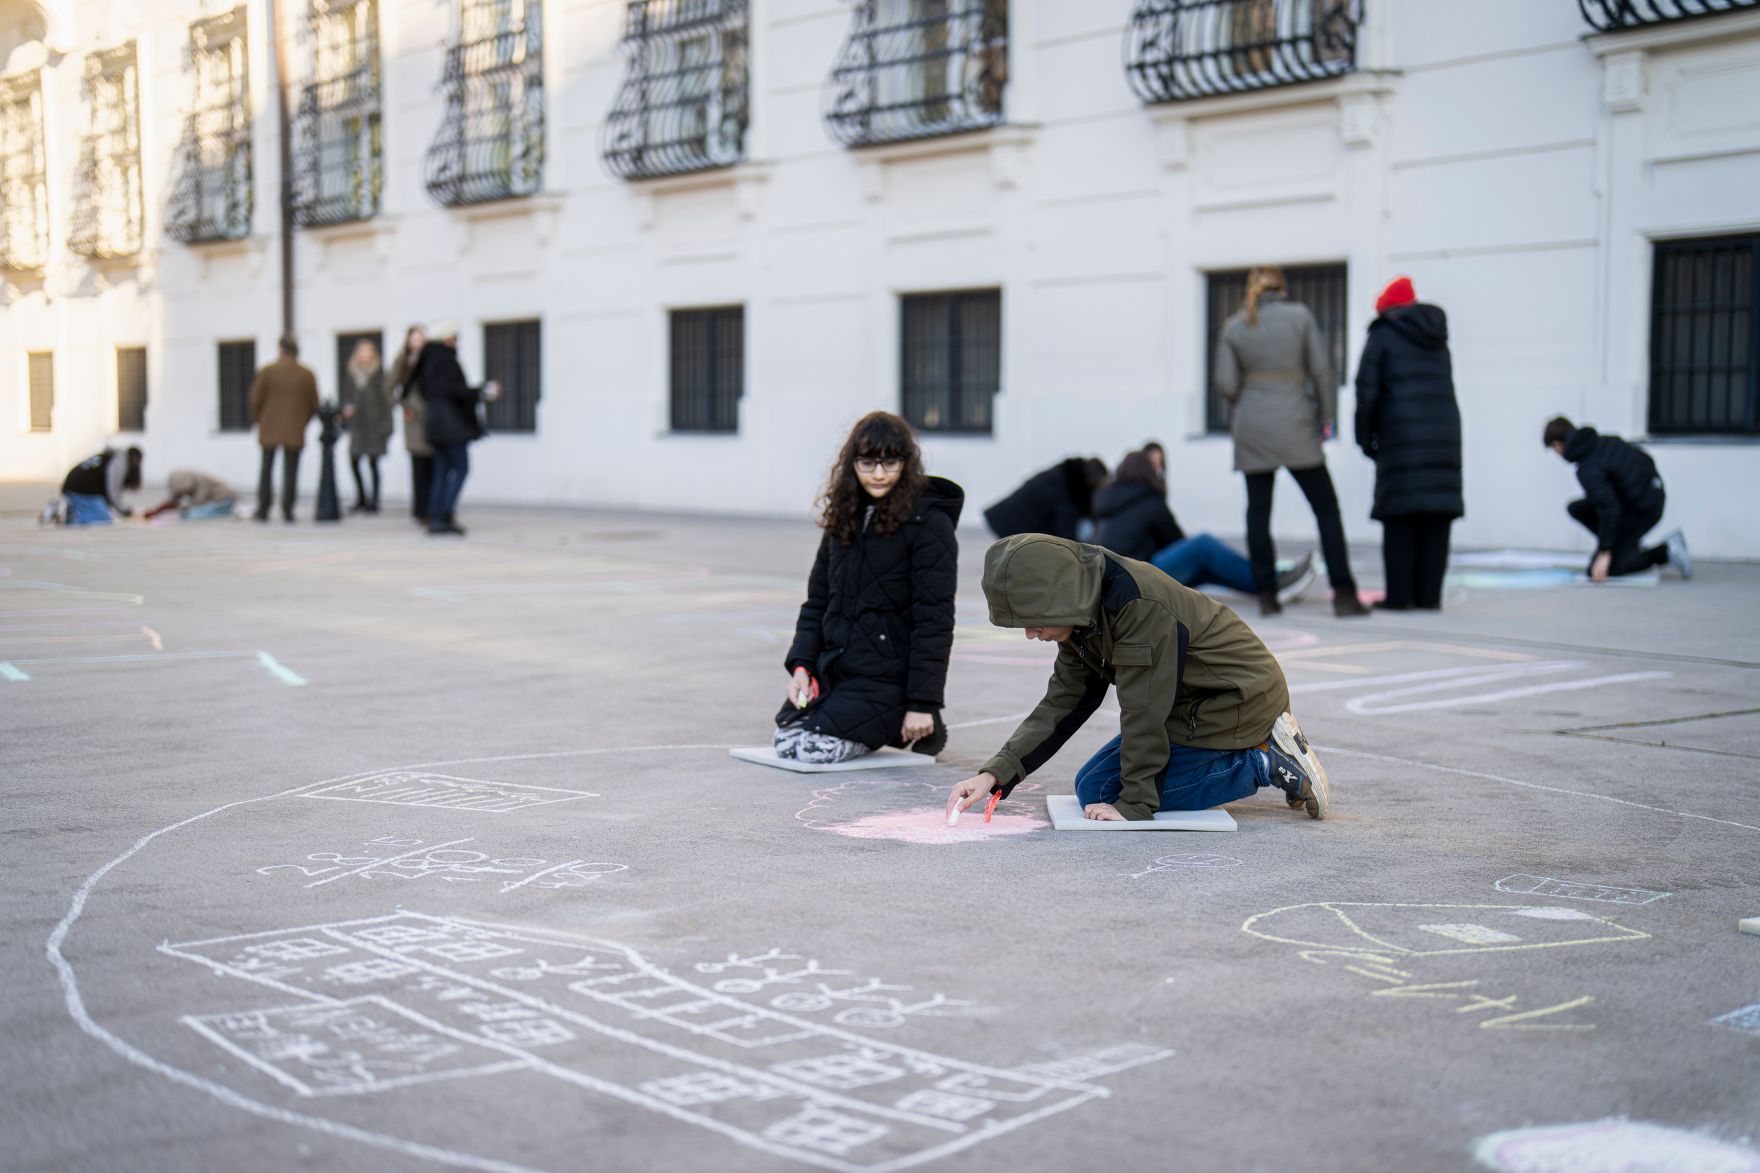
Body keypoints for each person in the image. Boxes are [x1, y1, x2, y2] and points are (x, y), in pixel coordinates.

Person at [944, 534, 1330, 824]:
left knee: (1107, 792)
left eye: (1034, 620)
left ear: (1059, 599)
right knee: (1093, 787)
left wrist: (1135, 806)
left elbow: (1144, 709)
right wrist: (994, 774)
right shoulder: (1079, 613)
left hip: (1234, 698)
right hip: (1191, 701)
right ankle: (1246, 755)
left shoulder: (1136, 608)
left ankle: (1262, 761)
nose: (1031, 633)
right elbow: (1063, 704)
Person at [776, 411, 961, 765]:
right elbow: (817, 603)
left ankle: (914, 723)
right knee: (785, 742)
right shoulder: (844, 517)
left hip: (887, 680)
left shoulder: (929, 523)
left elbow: (933, 620)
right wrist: (803, 667)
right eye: (868, 463)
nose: (878, 474)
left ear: (907, 464)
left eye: (890, 463)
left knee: (812, 750)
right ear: (852, 464)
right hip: (835, 670)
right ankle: (873, 721)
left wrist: (922, 703)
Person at [1214, 266, 1368, 617]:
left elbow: (1224, 383)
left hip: (1253, 426)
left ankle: (1267, 595)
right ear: (1282, 289)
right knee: (1326, 509)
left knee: (1258, 513)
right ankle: (1344, 594)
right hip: (1297, 422)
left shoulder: (1235, 326)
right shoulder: (1300, 317)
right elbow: (1323, 372)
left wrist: (1251, 396)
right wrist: (1326, 421)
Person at [1354, 276, 1464, 611]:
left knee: (1400, 516)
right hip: (1444, 435)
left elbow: (1366, 393)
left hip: (1400, 436)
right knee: (1435, 514)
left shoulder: (1382, 335)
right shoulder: (1437, 337)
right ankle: (1429, 597)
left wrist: (1366, 438)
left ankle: (1401, 597)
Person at [1093, 449, 1314, 602]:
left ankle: (1269, 585)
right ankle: (1271, 583)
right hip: (1138, 579)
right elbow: (1175, 540)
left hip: (1118, 581)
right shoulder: (1149, 500)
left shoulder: (1109, 501)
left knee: (1206, 567)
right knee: (1203, 545)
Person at [1544, 417, 1690, 582]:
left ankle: (1666, 551)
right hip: (1649, 496)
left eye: (1554, 448)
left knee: (1601, 571)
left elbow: (1609, 508)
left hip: (1642, 509)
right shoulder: (1603, 442)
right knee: (1577, 508)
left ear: (1558, 444)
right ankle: (1625, 547)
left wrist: (1604, 552)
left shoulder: (1587, 467)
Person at [412, 322, 499, 537]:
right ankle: (444, 514)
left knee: (441, 471)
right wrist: (481, 392)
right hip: (451, 426)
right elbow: (456, 391)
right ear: (446, 338)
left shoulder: (426, 360)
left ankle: (436, 516)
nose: (456, 342)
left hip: (434, 424)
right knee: (461, 469)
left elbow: (422, 390)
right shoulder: (446, 359)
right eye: (454, 338)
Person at [248, 335, 319, 523]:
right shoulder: (306, 374)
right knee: (291, 471)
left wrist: (259, 420)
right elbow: (314, 404)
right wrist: (302, 421)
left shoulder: (268, 371)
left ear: (280, 350)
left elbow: (255, 399)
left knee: (266, 469)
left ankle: (263, 508)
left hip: (269, 427)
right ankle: (288, 509)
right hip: (295, 428)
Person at [984, 457, 1108, 541]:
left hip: (1008, 518)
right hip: (1012, 522)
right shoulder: (1069, 486)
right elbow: (1066, 533)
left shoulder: (1065, 475)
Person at [340, 338, 395, 514]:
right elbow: (346, 397)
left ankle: (374, 500)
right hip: (358, 425)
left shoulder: (379, 375)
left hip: (374, 425)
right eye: (362, 351)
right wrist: (347, 409)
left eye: (368, 351)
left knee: (373, 463)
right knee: (354, 460)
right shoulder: (352, 374)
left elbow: (387, 402)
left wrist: (387, 425)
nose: (365, 355)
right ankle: (361, 497)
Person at [390, 326, 432, 527]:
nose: (419, 342)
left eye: (422, 338)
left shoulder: (430, 359)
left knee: (433, 465)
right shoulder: (403, 361)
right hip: (414, 421)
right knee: (419, 465)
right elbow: (389, 387)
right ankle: (420, 510)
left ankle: (432, 508)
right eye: (415, 338)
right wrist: (403, 406)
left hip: (432, 418)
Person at [56, 447, 142, 525]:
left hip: (75, 487)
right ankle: (64, 515)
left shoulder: (112, 456)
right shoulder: (120, 463)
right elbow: (112, 491)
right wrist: (124, 511)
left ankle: (69, 511)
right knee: (102, 519)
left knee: (95, 511)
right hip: (81, 490)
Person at [143, 470, 236, 520]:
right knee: (190, 512)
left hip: (223, 500)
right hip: (208, 502)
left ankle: (224, 511)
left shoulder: (201, 482)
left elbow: (198, 502)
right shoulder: (183, 483)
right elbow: (173, 499)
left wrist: (181, 508)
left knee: (195, 514)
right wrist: (161, 508)